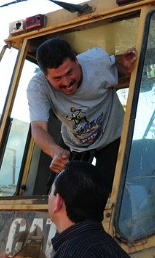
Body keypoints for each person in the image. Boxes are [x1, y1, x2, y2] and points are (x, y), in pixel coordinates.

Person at [27, 37, 138, 184]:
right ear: (45, 76)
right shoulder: (38, 87)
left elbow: (120, 71)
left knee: (109, 192)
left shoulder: (98, 61)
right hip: (73, 142)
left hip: (112, 138)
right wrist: (56, 152)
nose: (67, 82)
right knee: (57, 191)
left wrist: (126, 68)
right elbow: (38, 127)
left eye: (69, 72)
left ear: (76, 60)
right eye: (57, 78)